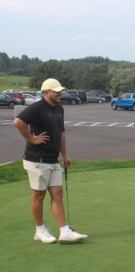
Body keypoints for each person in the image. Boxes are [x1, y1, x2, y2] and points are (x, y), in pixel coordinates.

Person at [13, 78, 88, 244]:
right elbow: (18, 122)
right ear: (46, 92)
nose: (59, 93)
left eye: (60, 91)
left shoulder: (59, 108)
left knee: (57, 194)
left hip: (53, 159)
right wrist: (31, 139)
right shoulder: (38, 107)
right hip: (37, 159)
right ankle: (39, 230)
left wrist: (65, 155)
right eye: (56, 91)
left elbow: (61, 133)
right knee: (39, 195)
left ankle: (64, 230)